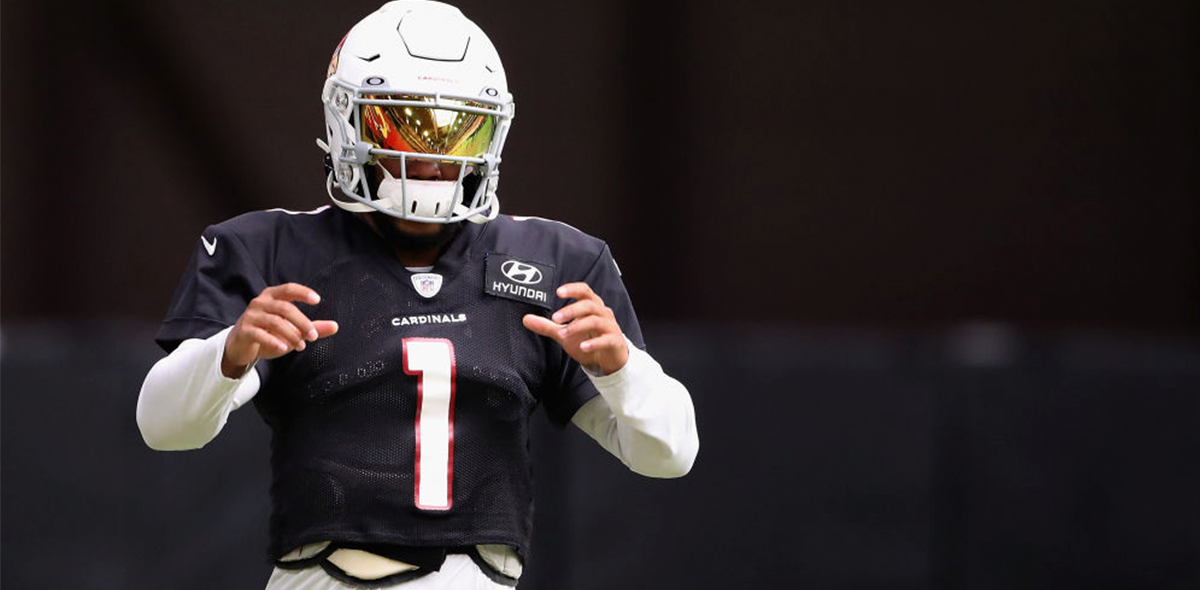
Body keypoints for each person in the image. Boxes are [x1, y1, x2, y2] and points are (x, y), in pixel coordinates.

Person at [135, 1, 698, 588]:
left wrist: (622, 370)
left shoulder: (560, 263)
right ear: (349, 123)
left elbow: (669, 454)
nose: (433, 157)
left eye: (461, 129)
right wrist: (229, 352)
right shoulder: (269, 251)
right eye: (404, 123)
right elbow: (163, 427)